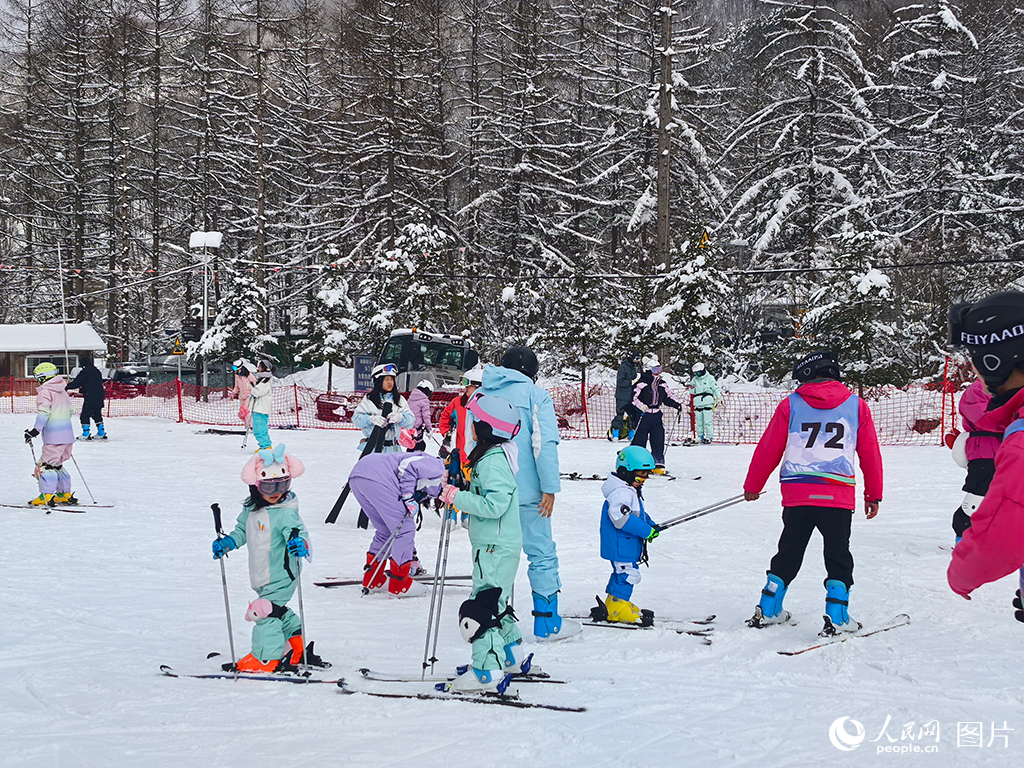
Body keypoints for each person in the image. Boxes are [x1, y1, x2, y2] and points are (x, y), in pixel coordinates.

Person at [742, 350, 883, 637]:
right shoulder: (856, 406)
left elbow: (769, 448)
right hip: (837, 495)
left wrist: (753, 485)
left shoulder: (791, 404)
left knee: (789, 550)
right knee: (838, 554)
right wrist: (873, 494)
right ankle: (837, 616)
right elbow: (870, 454)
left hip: (799, 493)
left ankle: (768, 607)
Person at [480, 346, 581, 641]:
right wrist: (549, 487)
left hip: (491, 492)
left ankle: (491, 622)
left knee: (493, 556)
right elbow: (543, 443)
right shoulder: (536, 396)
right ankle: (547, 623)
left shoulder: (482, 394)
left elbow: (471, 441)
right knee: (541, 553)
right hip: (527, 493)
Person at [438, 393, 526, 691]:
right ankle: (510, 657)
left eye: (475, 421)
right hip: (499, 542)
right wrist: (460, 486)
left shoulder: (492, 462)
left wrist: (456, 498)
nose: (471, 426)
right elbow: (488, 492)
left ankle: (486, 671)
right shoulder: (496, 456)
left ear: (488, 429)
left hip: (493, 545)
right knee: (496, 601)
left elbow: (495, 505)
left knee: (482, 606)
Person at [211, 445, 327, 672]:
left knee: (263, 611)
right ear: (256, 485)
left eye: (283, 485)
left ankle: (266, 658)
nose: (276, 492)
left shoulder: (285, 511)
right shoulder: (251, 509)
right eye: (268, 485)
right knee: (276, 609)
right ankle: (296, 649)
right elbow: (242, 531)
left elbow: (296, 531)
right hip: (262, 573)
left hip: (282, 572)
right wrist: (228, 542)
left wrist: (299, 543)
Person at [946, 293, 1024, 617]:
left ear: (997, 362)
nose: (977, 376)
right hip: (983, 453)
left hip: (987, 457)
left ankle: (961, 533)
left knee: (975, 501)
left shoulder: (1020, 441)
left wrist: (961, 574)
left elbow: (1001, 533)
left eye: (977, 365)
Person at [347, 445, 446, 596]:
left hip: (359, 476)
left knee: (386, 530)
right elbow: (409, 467)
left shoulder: (434, 478)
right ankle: (400, 583)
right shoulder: (438, 467)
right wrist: (408, 496)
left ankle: (374, 579)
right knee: (405, 530)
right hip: (378, 477)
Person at [593, 446, 660, 624]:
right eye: (640, 476)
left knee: (621, 572)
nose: (643, 480)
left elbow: (636, 514)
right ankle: (618, 608)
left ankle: (614, 603)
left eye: (646, 476)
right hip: (620, 544)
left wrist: (649, 524)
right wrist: (646, 531)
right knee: (628, 574)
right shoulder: (621, 492)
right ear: (625, 472)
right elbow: (622, 519)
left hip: (625, 543)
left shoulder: (627, 489)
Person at [948, 377, 998, 544]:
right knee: (979, 496)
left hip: (1011, 451)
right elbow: (982, 418)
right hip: (984, 453)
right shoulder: (978, 389)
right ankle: (963, 537)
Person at [24, 363, 77, 506]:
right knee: (57, 465)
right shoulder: (62, 390)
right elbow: (70, 410)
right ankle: (64, 493)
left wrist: (35, 430)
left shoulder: (45, 392)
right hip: (67, 435)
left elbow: (44, 412)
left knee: (45, 466)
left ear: (43, 377)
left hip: (54, 437)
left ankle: (46, 495)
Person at [630, 356, 683, 474]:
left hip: (656, 415)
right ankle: (637, 463)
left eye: (659, 369)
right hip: (644, 415)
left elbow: (668, 397)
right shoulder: (642, 383)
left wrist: (676, 404)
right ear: (648, 370)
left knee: (658, 438)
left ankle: (658, 462)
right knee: (640, 439)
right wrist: (641, 406)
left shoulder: (662, 384)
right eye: (655, 369)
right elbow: (633, 398)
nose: (658, 372)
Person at [352, 363, 415, 453]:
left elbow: (411, 421)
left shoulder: (399, 400)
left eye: (392, 379)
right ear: (378, 381)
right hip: (373, 449)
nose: (390, 382)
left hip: (393, 450)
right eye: (386, 379)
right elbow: (356, 419)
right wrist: (371, 419)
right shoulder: (369, 399)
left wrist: (400, 417)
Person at [66, 354, 106, 440]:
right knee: (96, 414)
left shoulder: (85, 372)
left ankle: (86, 433)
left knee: (85, 415)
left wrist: (67, 386)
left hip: (90, 396)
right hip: (99, 396)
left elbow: (77, 383)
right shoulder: (97, 371)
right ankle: (101, 432)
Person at [608, 351, 640, 442]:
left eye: (639, 359)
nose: (637, 361)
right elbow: (620, 382)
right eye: (636, 358)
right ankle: (615, 435)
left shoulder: (633, 368)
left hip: (631, 395)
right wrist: (631, 382)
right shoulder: (623, 368)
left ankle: (631, 435)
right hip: (622, 396)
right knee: (620, 414)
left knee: (632, 415)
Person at [689, 362, 721, 444]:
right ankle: (700, 436)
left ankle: (709, 436)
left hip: (707, 402)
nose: (697, 375)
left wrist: (719, 397)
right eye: (696, 373)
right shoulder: (695, 379)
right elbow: (692, 391)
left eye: (699, 373)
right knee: (699, 421)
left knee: (708, 421)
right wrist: (691, 388)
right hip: (698, 402)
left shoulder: (710, 378)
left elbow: (715, 388)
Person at [250, 361, 274, 449]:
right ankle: (263, 445)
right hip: (257, 408)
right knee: (257, 429)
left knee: (260, 429)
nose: (258, 369)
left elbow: (258, 392)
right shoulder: (262, 380)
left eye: (260, 367)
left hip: (261, 409)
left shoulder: (266, 381)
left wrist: (251, 388)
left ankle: (266, 446)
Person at [407, 379, 434, 451]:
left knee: (411, 444)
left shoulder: (411, 398)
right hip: (417, 427)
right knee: (420, 445)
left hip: (409, 426)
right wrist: (429, 428)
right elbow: (426, 416)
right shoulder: (424, 400)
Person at [229, 359, 256, 430]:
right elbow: (237, 386)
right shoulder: (237, 376)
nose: (235, 370)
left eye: (235, 368)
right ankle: (247, 426)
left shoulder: (249, 375)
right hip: (242, 396)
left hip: (248, 396)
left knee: (246, 411)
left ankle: (250, 426)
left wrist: (254, 391)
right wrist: (233, 393)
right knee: (242, 413)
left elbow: (255, 384)